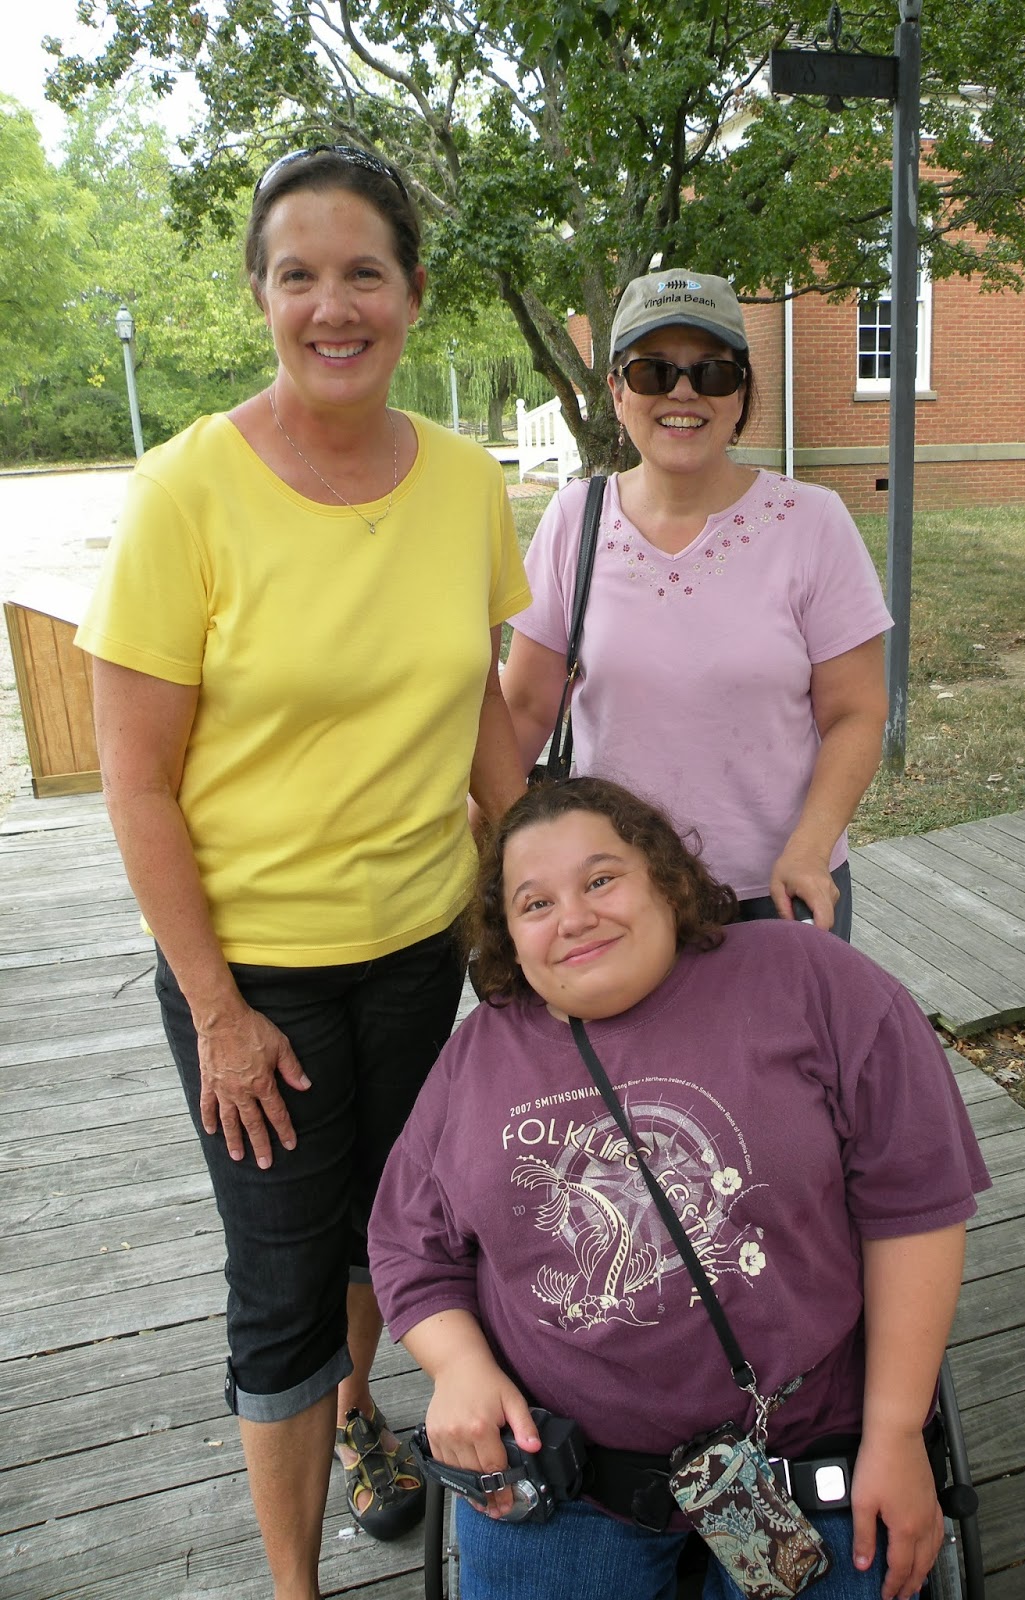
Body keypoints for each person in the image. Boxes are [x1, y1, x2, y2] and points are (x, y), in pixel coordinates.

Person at [76, 144, 530, 1600]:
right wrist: (215, 1007)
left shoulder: (465, 486)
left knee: (384, 1226)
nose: (333, 306)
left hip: (416, 952)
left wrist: (527, 912)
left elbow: (481, 709)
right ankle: (294, 1585)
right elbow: (134, 778)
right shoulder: (187, 491)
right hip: (251, 972)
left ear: (410, 295)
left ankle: (359, 1419)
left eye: (364, 273)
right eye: (299, 275)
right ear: (262, 296)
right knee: (277, 1285)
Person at [368, 777, 990, 1600]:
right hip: (571, 1479)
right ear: (510, 939)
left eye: (600, 879)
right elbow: (410, 1246)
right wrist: (457, 1370)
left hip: (801, 1451)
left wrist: (896, 1431)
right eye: (534, 903)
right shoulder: (477, 1058)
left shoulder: (813, 981)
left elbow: (913, 1204)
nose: (575, 917)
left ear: (666, 879)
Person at [500, 270, 892, 941]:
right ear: (618, 391)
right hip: (615, 902)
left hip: (779, 890)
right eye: (653, 372)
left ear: (741, 394)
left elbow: (857, 712)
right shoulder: (575, 521)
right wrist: (501, 845)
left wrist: (810, 846)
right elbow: (529, 707)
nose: (683, 393)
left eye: (711, 373)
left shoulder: (813, 523)